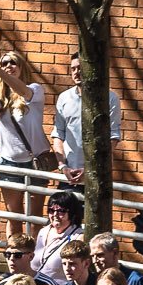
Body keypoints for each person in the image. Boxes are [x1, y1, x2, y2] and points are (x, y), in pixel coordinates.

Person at [0, 50, 49, 246]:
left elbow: (23, 92)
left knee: (36, 215)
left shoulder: (35, 90)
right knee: (14, 215)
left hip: (35, 161)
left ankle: (37, 259)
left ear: (22, 67)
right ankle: (15, 255)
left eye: (13, 63)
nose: (8, 66)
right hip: (9, 163)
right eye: (4, 63)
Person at [51, 49, 120, 186]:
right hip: (68, 174)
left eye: (80, 68)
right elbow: (58, 134)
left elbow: (113, 137)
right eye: (73, 69)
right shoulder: (64, 98)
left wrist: (90, 169)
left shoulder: (109, 98)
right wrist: (62, 166)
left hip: (96, 174)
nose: (76, 72)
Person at [30, 191, 84, 285]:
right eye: (51, 210)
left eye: (61, 211)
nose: (55, 214)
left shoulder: (78, 237)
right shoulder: (43, 232)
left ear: (72, 213)